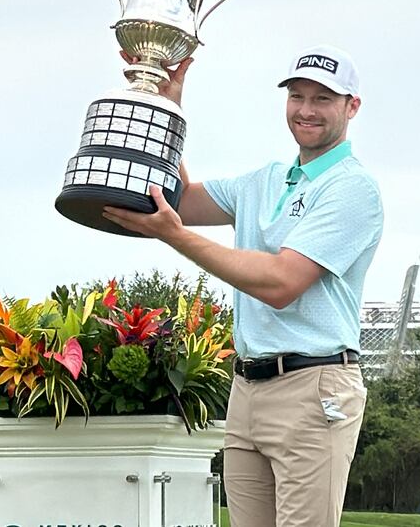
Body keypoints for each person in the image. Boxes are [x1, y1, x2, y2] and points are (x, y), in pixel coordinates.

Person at [102, 45, 384, 526]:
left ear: (351, 107)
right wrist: (168, 112)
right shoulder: (265, 181)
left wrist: (176, 238)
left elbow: (281, 283)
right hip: (248, 389)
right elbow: (178, 202)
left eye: (323, 99)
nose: (306, 110)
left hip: (313, 389)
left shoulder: (351, 187)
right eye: (297, 96)